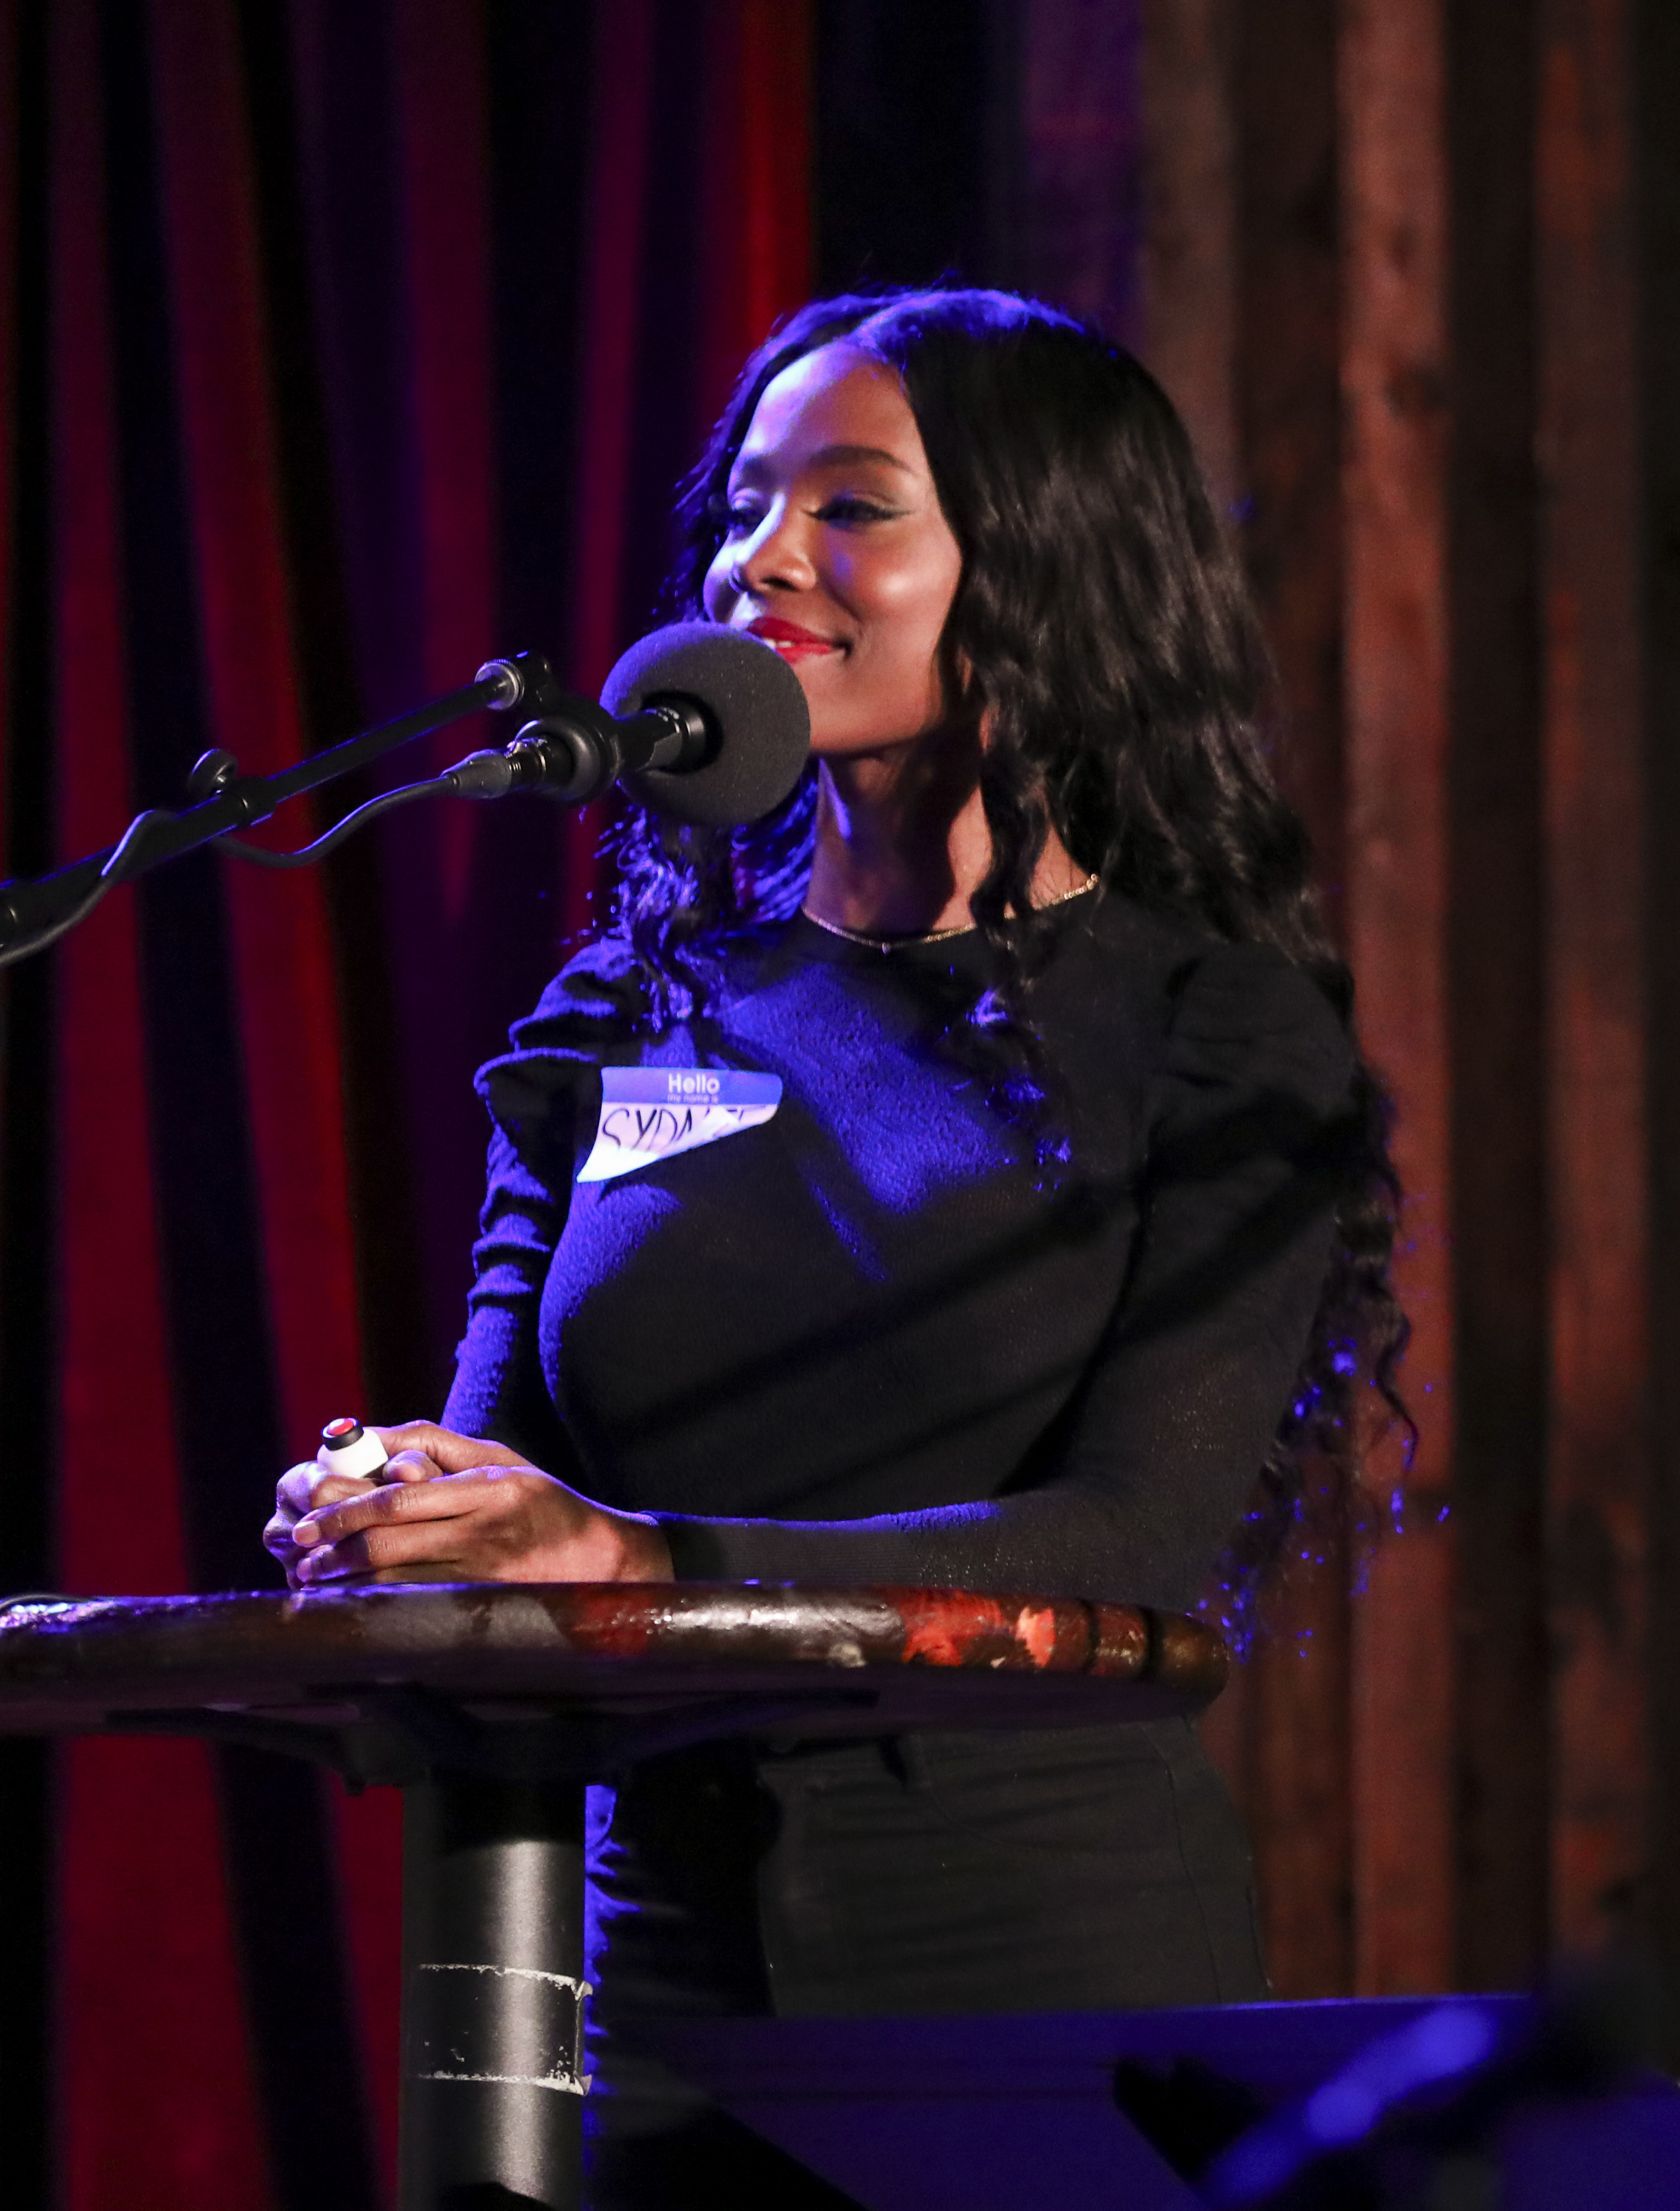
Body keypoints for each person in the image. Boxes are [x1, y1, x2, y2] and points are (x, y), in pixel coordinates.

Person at [261, 289, 1397, 2204]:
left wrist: (642, 1559)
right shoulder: (633, 1002)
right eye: (749, 504)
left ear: (1044, 574)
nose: (759, 559)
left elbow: (1137, 1537)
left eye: (851, 505)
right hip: (640, 1995)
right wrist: (414, 1498)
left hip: (1039, 1982)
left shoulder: (1214, 1031)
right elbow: (510, 1461)